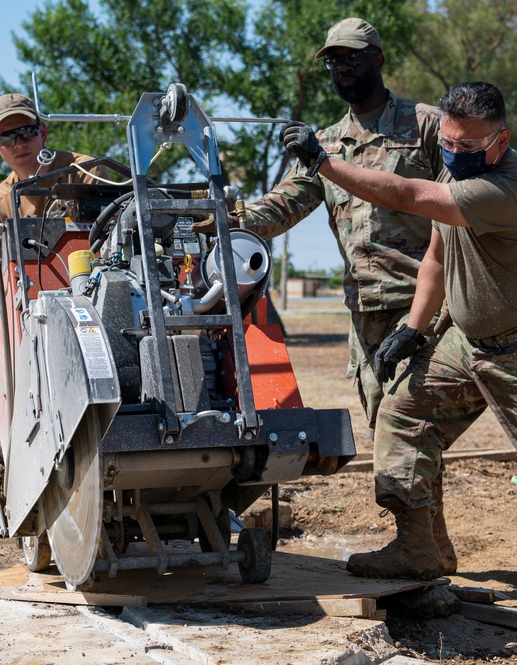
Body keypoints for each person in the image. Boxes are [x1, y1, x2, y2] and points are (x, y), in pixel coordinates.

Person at [279, 81, 517, 627]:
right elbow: (438, 255)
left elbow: (408, 197)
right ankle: (419, 548)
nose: (453, 154)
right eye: (446, 142)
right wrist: (414, 330)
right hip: (468, 343)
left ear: (500, 140)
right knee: (401, 413)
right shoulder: (456, 170)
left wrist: (323, 162)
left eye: (467, 147)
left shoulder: (506, 189)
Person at [194, 17, 467, 577]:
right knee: (398, 433)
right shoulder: (328, 143)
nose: (341, 67)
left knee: (407, 427)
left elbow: (464, 203)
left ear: (378, 59)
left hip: (424, 307)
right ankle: (432, 549)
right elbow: (283, 206)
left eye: (351, 57)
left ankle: (418, 551)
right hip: (365, 314)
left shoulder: (425, 126)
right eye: (332, 60)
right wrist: (221, 217)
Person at [0, 93, 106, 540]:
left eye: (27, 130)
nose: (20, 142)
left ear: (44, 131)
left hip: (96, 306)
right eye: (8, 136)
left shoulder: (87, 172)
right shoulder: (0, 204)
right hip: (35, 320)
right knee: (17, 391)